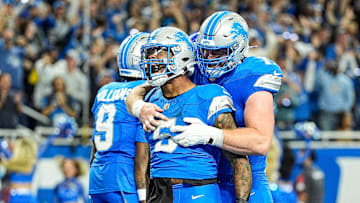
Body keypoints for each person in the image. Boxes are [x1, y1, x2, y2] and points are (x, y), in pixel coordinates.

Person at [126, 11, 282, 202]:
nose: (209, 57)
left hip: (250, 187)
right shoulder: (196, 65)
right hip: (209, 184)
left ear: (238, 47)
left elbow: (260, 142)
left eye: (218, 51)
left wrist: (211, 135)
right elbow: (139, 89)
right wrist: (139, 107)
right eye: (205, 50)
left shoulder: (252, 76)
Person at [134, 26, 250, 203]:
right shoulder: (150, 99)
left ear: (182, 55)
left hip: (198, 191)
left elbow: (238, 158)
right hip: (158, 192)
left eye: (159, 52)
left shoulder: (209, 96)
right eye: (149, 53)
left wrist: (242, 201)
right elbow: (145, 157)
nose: (151, 58)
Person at [88, 32, 149, 203]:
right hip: (123, 176)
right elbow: (141, 153)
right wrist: (143, 195)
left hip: (97, 176)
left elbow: (94, 144)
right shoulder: (144, 90)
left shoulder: (105, 90)